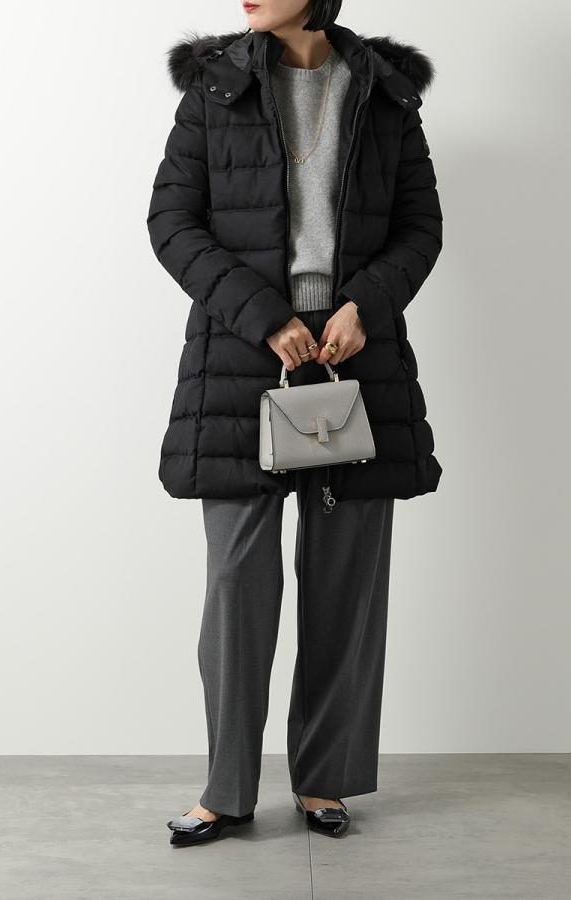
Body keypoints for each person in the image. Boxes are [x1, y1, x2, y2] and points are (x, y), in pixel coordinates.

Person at [146, 0, 443, 848]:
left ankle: (324, 781)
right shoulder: (214, 88)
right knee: (237, 585)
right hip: (242, 358)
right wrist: (265, 316)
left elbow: (420, 227)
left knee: (346, 586)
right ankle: (226, 791)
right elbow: (173, 223)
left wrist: (364, 307)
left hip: (355, 359)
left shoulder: (384, 92)